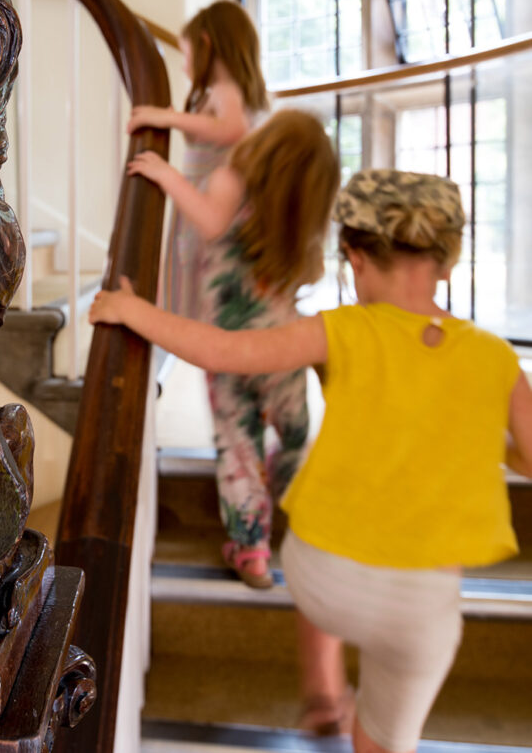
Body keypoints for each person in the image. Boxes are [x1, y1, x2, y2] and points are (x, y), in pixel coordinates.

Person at [88, 168, 532, 753]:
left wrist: (131, 310)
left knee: (312, 552)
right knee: (387, 740)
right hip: (421, 610)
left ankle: (324, 683)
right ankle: (357, 722)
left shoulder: (342, 329)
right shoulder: (495, 359)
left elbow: (226, 350)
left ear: (354, 258)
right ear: (448, 264)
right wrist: (477, 437)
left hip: (325, 577)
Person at [125, 108, 339, 587]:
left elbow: (210, 223)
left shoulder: (230, 180)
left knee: (238, 445)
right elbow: (308, 274)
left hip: (226, 345)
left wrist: (165, 175)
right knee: (295, 430)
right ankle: (293, 496)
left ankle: (252, 551)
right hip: (283, 348)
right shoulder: (297, 215)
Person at [127, 0, 268, 319]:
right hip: (203, 202)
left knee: (209, 291)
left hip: (211, 203)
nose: (184, 64)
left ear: (206, 44)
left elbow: (233, 128)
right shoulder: (233, 92)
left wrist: (169, 118)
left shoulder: (225, 89)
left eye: (187, 55)